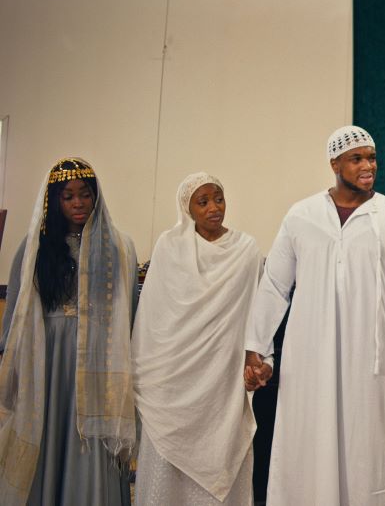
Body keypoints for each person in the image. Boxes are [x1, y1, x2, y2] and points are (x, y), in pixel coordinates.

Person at [243, 125, 385, 505]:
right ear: (334, 163)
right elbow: (274, 286)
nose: (368, 166)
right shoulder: (302, 216)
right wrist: (256, 347)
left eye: (372, 157)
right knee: (306, 449)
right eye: (357, 158)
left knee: (371, 455)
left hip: (374, 363)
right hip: (310, 360)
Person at [0, 157, 137, 505]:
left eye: (85, 194)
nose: (78, 203)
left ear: (96, 197)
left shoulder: (119, 247)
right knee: (48, 435)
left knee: (92, 439)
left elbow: (129, 310)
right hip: (46, 359)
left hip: (98, 360)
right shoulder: (34, 247)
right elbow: (16, 308)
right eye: (68, 196)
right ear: (54, 201)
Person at [132, 173, 262, 505]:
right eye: (202, 202)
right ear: (188, 209)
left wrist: (257, 358)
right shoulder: (169, 246)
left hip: (222, 376)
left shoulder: (246, 249)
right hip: (173, 375)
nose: (214, 208)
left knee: (221, 447)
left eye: (218, 198)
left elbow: (256, 314)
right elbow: (154, 317)